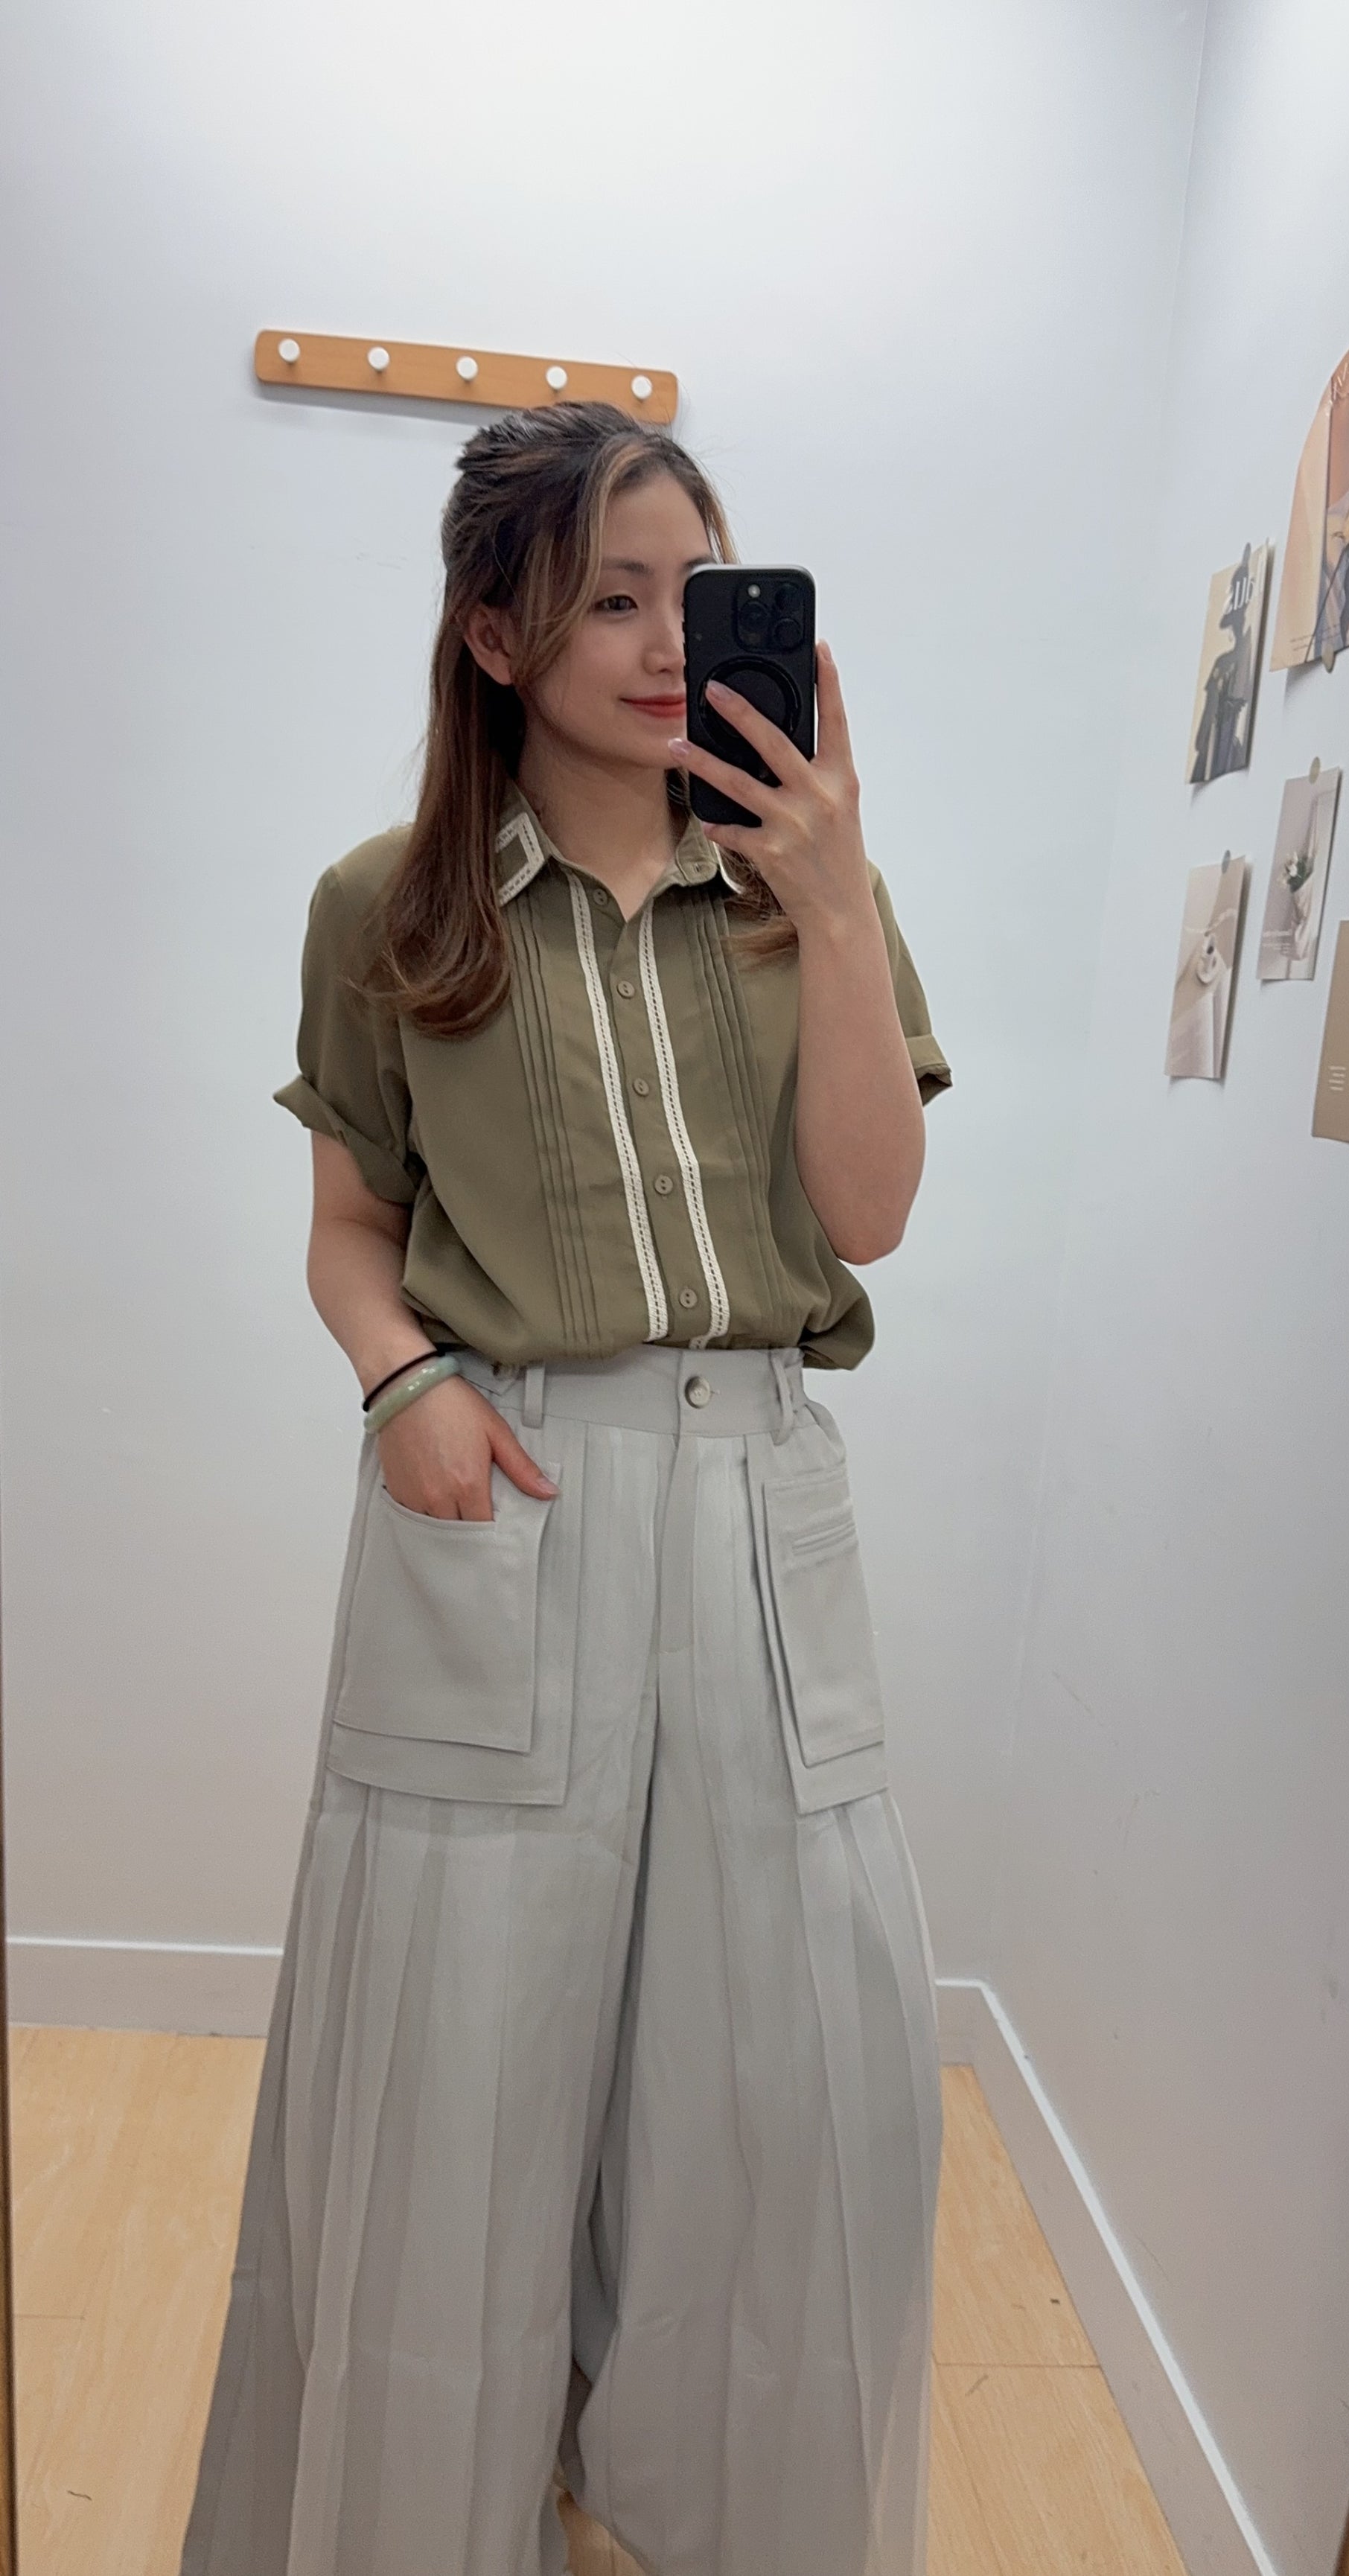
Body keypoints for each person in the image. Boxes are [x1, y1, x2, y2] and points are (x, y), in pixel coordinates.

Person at [180, 401, 953, 2576]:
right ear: (496, 634)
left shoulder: (805, 889)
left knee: (788, 2088)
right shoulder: (388, 906)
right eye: (607, 598)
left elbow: (871, 1214)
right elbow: (350, 1229)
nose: (662, 642)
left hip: (756, 1505)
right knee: (459, 2084)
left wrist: (830, 903)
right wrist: (402, 1379)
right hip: (496, 1491)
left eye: (692, 591)